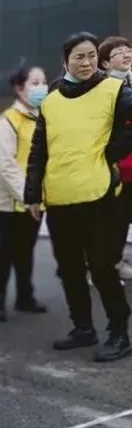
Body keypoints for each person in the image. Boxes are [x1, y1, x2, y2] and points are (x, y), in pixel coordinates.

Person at [24, 31, 132, 361]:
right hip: (58, 198)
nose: (85, 62)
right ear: (66, 61)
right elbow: (39, 148)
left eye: (89, 56)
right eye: (78, 57)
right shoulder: (53, 99)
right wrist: (32, 193)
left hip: (100, 195)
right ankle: (83, 328)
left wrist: (108, 154)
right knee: (69, 268)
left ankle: (119, 331)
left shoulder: (116, 90)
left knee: (101, 267)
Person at [0, 66, 49, 321]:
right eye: (34, 82)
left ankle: (25, 296)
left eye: (44, 82)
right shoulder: (6, 121)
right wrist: (29, 195)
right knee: (7, 249)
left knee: (26, 249)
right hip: (10, 199)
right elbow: (7, 165)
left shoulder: (44, 118)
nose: (41, 87)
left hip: (36, 199)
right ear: (19, 88)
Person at [98, 36, 132, 280]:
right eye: (118, 52)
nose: (126, 54)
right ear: (105, 64)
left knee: (124, 217)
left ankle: (114, 260)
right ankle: (105, 265)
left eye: (128, 50)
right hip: (118, 164)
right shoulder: (105, 88)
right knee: (116, 218)